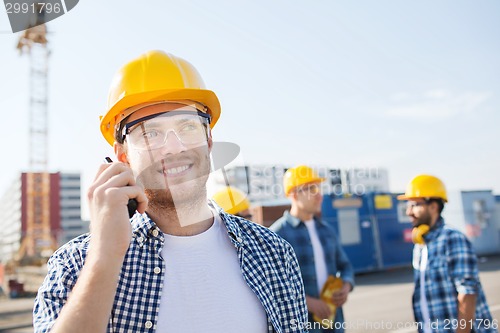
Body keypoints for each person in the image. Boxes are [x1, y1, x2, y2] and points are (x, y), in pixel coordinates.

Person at [33, 50, 308, 333]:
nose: (174, 147)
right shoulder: (76, 265)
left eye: (188, 126)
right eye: (149, 133)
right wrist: (104, 257)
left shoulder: (273, 254)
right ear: (122, 155)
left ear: (209, 139)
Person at [398, 174, 497, 333]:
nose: (409, 211)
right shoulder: (421, 246)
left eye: (415, 204)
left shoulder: (452, 238)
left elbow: (468, 294)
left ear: (433, 206)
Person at [270, 165, 354, 333]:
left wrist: (346, 286)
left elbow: (345, 266)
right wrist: (307, 302)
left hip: (333, 321)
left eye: (319, 188)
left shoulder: (327, 231)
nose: (319, 195)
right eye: (311, 189)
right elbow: (273, 286)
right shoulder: (275, 235)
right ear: (294, 194)